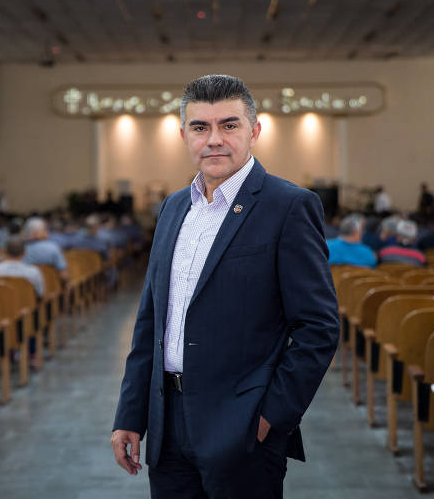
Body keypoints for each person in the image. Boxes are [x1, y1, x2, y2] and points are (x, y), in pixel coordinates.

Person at [111, 75, 340, 498]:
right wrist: (131, 414)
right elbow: (151, 321)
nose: (214, 139)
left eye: (229, 125)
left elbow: (319, 327)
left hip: (244, 427)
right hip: (167, 426)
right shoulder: (173, 208)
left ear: (254, 131)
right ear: (184, 135)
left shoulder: (289, 206)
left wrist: (271, 417)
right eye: (201, 127)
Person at [22, 217, 69, 281]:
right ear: (37, 233)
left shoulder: (21, 249)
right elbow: (64, 275)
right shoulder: (53, 247)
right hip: (53, 288)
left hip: (29, 288)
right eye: (45, 229)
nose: (47, 231)